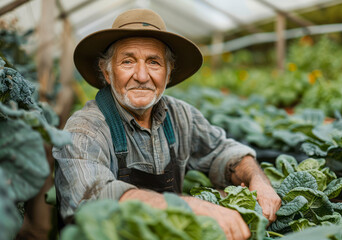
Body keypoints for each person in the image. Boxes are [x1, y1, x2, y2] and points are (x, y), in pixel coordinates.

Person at [53, 8, 281, 240]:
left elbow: (223, 151)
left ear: (168, 73)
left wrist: (257, 179)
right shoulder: (84, 129)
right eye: (128, 61)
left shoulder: (181, 115)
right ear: (107, 72)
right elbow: (92, 198)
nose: (142, 76)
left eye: (154, 62)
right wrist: (192, 207)